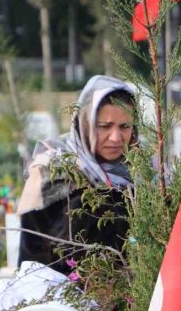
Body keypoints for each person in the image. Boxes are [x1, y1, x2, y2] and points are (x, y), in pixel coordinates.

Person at [18, 75, 137, 275]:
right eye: (105, 126)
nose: (116, 138)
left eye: (125, 126)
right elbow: (32, 259)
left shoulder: (146, 175)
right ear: (85, 124)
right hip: (61, 298)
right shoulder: (52, 172)